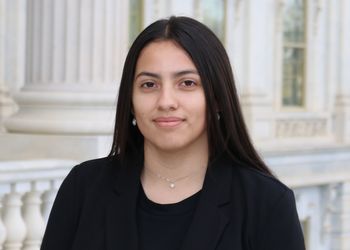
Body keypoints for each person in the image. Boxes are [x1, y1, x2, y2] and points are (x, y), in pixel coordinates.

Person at [41, 16, 305, 250]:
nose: (166, 101)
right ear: (130, 102)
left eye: (187, 83)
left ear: (217, 99)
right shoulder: (83, 188)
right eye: (149, 84)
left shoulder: (267, 203)